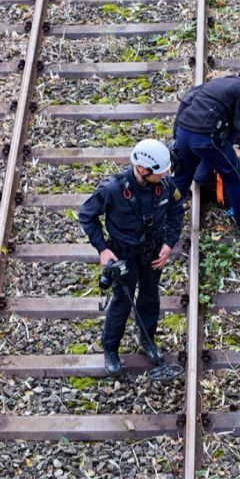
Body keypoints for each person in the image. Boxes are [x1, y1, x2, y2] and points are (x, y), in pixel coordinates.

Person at [78, 139, 184, 375]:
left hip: (153, 253)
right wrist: (103, 250)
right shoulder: (112, 189)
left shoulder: (166, 185)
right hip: (124, 254)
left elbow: (177, 210)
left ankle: (147, 341)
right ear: (144, 170)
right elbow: (86, 216)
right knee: (122, 303)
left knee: (150, 298)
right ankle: (111, 349)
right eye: (162, 171)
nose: (168, 174)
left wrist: (169, 243)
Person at [173, 63, 240, 227]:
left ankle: (168, 213)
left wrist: (176, 134)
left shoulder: (215, 82)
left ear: (239, 73)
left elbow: (186, 100)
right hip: (206, 138)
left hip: (183, 132)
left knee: (181, 177)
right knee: (235, 173)